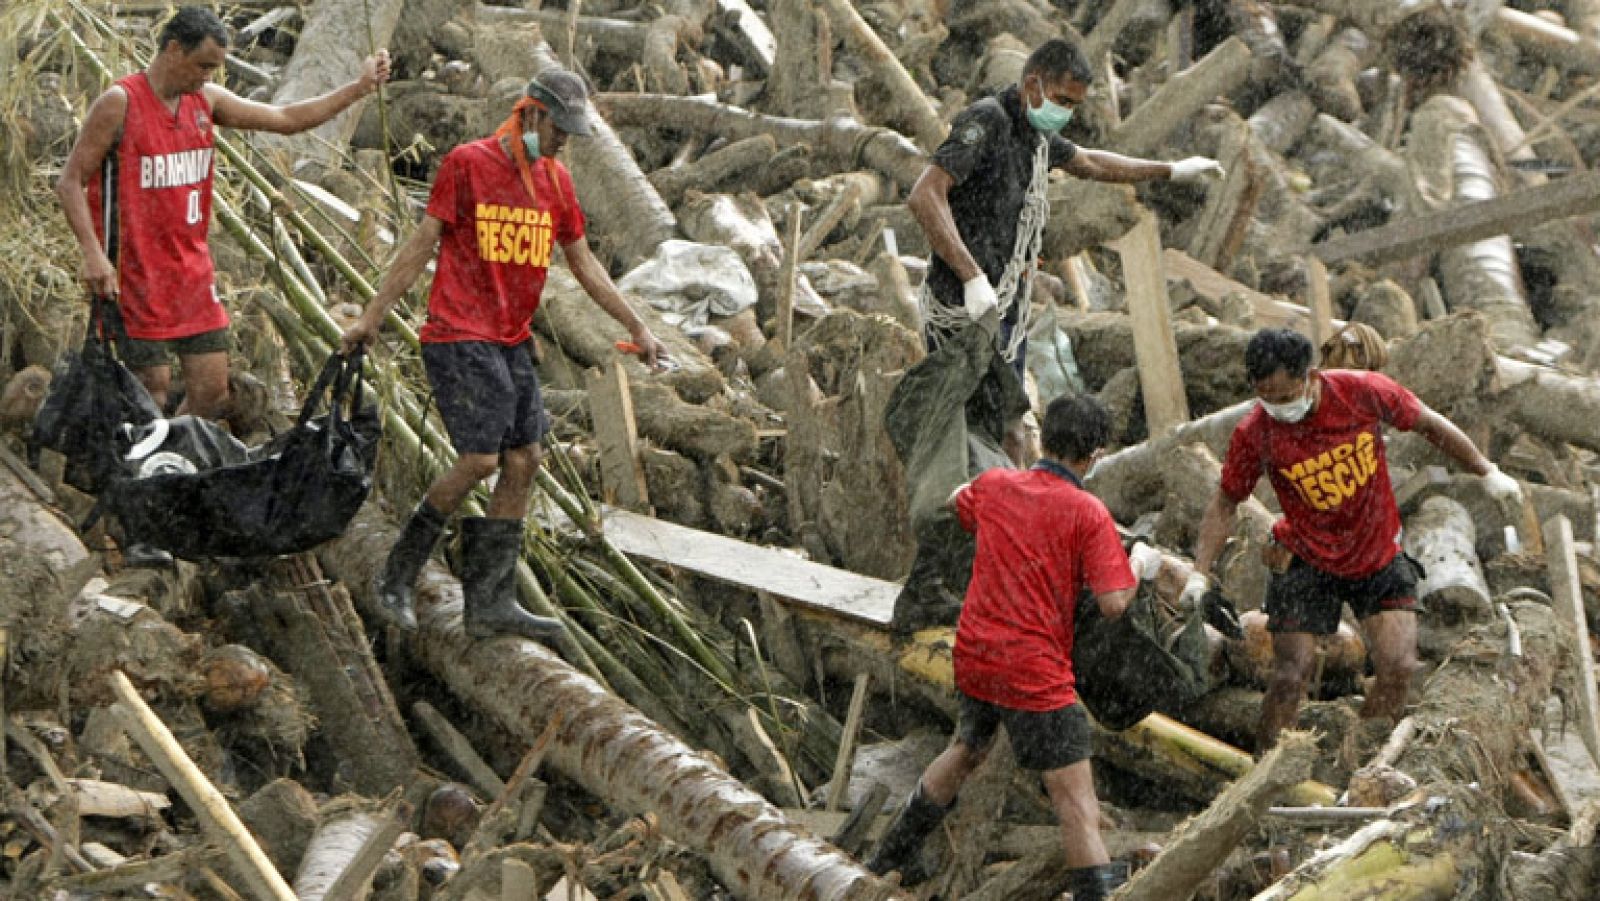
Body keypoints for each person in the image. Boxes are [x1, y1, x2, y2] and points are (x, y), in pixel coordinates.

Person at [340, 67, 667, 640]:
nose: (564, 139)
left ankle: (489, 600)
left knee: (524, 460)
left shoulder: (557, 184)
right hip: (459, 332)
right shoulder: (468, 164)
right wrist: (372, 316)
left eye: (570, 131)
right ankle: (398, 572)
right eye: (558, 127)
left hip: (511, 339)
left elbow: (584, 264)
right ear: (531, 113)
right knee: (481, 460)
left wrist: (638, 325)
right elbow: (422, 244)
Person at [1182, 328, 1523, 750]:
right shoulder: (1256, 432)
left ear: (1310, 376)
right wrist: (1199, 572)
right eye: (1268, 399)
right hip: (1305, 556)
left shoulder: (1362, 393)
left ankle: (1359, 752)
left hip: (1375, 552)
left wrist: (1485, 471)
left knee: (1398, 666)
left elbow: (1428, 423)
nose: (1280, 408)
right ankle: (1265, 772)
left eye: (1286, 397)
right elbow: (1225, 502)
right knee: (1291, 673)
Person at [56, 6, 390, 421]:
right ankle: (143, 475)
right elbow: (70, 180)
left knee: (212, 394)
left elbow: (286, 119)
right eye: (202, 66)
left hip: (192, 273)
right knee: (149, 394)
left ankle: (169, 462)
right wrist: (92, 254)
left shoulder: (206, 101)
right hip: (135, 272)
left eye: (214, 69)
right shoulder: (120, 103)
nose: (207, 77)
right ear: (174, 49)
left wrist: (358, 88)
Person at [867, 394, 1137, 900]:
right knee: (1075, 801)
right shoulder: (1087, 512)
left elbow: (955, 502)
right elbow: (1113, 604)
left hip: (975, 656)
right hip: (1033, 672)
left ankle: (889, 857)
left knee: (967, 748)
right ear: (1095, 454)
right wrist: (1133, 569)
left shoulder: (994, 486)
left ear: (1045, 439)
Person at [906, 37, 1224, 434]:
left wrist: (1171, 170)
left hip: (1007, 304)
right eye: (1061, 100)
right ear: (1032, 85)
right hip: (965, 304)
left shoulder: (1034, 132)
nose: (1065, 113)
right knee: (966, 423)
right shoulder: (988, 121)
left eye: (1073, 105)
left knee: (1010, 423)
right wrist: (970, 277)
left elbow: (1089, 162)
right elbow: (925, 194)